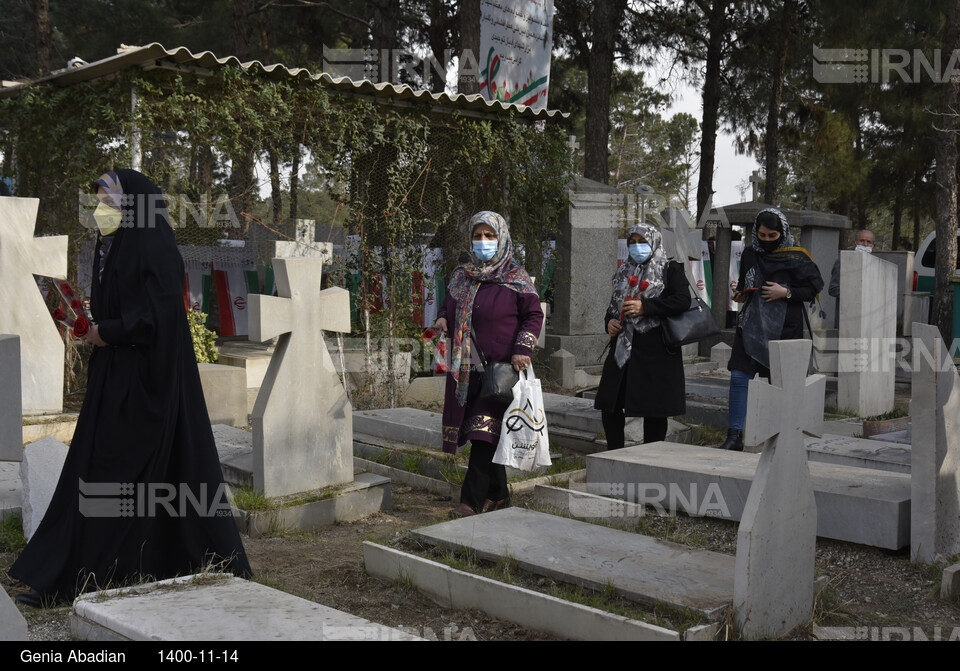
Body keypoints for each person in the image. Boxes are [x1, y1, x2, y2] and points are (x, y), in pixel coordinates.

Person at [10, 169, 252, 606]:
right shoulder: (113, 246)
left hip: (146, 385)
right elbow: (124, 310)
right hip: (114, 378)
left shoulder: (154, 245)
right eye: (98, 200)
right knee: (95, 475)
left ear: (136, 204)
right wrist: (84, 322)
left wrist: (109, 331)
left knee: (114, 478)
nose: (100, 209)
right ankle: (74, 574)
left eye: (108, 199)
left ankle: (86, 575)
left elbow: (157, 319)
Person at [435, 211, 543, 518]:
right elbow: (449, 303)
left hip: (502, 370)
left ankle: (469, 502)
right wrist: (443, 317)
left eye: (490, 235)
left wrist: (524, 347)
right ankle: (498, 494)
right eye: (478, 236)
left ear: (503, 237)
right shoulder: (462, 275)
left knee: (483, 434)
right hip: (466, 369)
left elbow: (534, 316)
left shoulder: (516, 278)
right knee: (484, 432)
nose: (483, 242)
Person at [719, 208, 824, 451]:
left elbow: (813, 289)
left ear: (782, 233)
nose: (766, 241)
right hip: (752, 325)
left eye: (772, 236)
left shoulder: (797, 256)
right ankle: (734, 436)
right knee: (738, 376)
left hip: (784, 328)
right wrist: (740, 295)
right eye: (762, 235)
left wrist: (785, 292)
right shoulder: (749, 253)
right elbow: (747, 284)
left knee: (779, 383)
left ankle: (780, 437)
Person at [594, 223, 691, 448]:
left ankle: (650, 456)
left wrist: (645, 307)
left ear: (654, 242)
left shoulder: (670, 269)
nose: (637, 247)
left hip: (655, 349)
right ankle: (614, 452)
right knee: (610, 403)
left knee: (654, 409)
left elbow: (682, 300)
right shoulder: (622, 272)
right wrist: (609, 323)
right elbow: (611, 308)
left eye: (642, 242)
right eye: (632, 243)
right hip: (622, 348)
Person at [828, 229, 875, 325]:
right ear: (854, 243)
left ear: (873, 246)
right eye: (862, 241)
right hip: (847, 318)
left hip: (869, 319)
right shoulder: (843, 261)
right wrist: (856, 294)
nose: (865, 244)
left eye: (869, 242)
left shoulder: (876, 264)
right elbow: (833, 289)